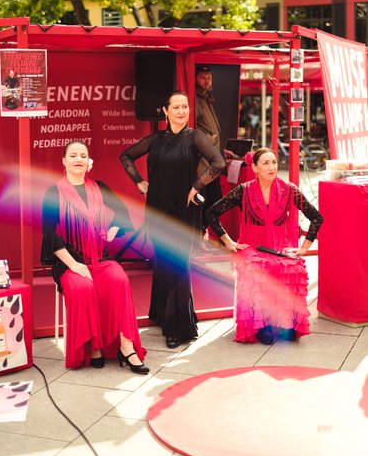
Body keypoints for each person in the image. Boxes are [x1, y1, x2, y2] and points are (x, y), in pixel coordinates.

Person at [120, 91, 225, 349]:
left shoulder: (195, 137)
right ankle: (162, 314)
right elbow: (126, 156)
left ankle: (177, 325)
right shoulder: (156, 140)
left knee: (177, 264)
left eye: (185, 107)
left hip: (183, 208)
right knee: (163, 262)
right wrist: (140, 183)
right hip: (157, 208)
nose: (181, 111)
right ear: (165, 111)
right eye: (176, 107)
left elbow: (218, 162)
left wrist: (197, 186)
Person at [41, 140, 149, 374]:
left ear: (88, 161)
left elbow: (121, 211)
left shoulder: (99, 187)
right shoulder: (54, 191)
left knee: (119, 280)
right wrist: (74, 265)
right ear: (64, 161)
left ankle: (126, 346)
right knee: (82, 287)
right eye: (73, 155)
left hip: (101, 258)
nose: (78, 159)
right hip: (69, 261)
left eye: (82, 155)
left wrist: (111, 231)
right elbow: (50, 234)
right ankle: (93, 347)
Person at [206, 147, 323, 345]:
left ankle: (284, 320)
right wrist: (229, 242)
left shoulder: (288, 189)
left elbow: (316, 217)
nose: (271, 167)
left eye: (274, 162)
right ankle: (263, 325)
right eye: (265, 163)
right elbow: (211, 212)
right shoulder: (243, 191)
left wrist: (304, 248)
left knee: (292, 266)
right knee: (257, 267)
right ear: (254, 167)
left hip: (280, 246)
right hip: (252, 246)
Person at [195, 66, 234, 240]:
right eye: (203, 77)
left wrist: (220, 150)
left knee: (215, 200)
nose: (207, 81)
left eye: (209, 77)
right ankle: (197, 237)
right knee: (203, 201)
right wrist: (208, 141)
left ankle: (201, 232)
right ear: (194, 78)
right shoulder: (194, 98)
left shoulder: (206, 98)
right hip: (202, 163)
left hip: (212, 159)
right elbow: (191, 128)